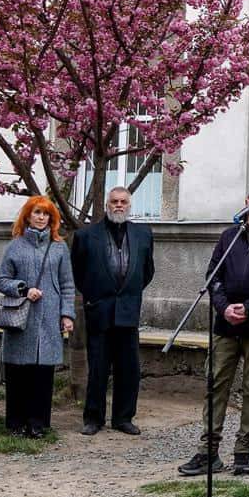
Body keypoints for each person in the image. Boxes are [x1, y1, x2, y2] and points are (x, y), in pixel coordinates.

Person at [178, 188, 249, 477]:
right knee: (216, 384)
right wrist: (224, 307)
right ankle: (208, 452)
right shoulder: (229, 237)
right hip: (225, 325)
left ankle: (243, 451)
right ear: (245, 205)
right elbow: (213, 277)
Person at [73, 186, 156, 437]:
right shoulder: (87, 235)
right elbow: (79, 273)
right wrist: (96, 295)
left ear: (129, 206)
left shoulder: (143, 234)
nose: (118, 205)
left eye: (123, 202)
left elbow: (147, 271)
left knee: (128, 368)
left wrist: (128, 293)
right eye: (114, 202)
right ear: (107, 205)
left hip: (129, 310)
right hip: (100, 309)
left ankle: (123, 417)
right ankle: (93, 418)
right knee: (98, 367)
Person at [0, 196, 75, 438]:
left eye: (46, 214)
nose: (41, 218)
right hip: (22, 318)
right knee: (18, 372)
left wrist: (67, 314)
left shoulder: (59, 247)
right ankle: (15, 423)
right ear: (28, 216)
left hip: (49, 318)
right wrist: (23, 288)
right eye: (37, 213)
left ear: (52, 219)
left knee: (43, 374)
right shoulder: (15, 246)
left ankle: (38, 423)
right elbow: (2, 280)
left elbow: (67, 284)